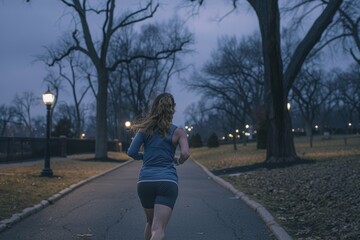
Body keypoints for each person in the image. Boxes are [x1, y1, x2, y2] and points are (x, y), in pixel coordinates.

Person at [127, 92, 190, 240]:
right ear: (172, 109)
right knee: (158, 228)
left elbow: (131, 152)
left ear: (154, 108)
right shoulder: (178, 132)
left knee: (150, 223)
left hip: (145, 182)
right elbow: (186, 153)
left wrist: (144, 157)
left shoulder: (144, 130)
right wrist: (178, 161)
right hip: (167, 182)